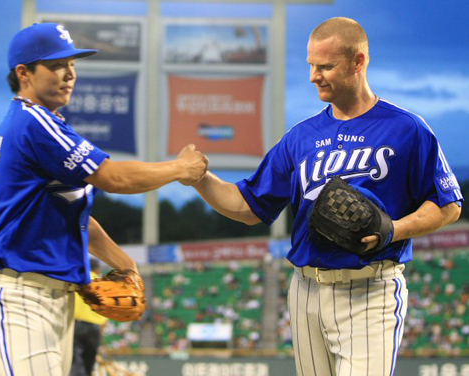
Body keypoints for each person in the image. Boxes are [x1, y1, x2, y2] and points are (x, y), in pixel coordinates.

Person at [190, 17, 463, 376]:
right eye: (311, 65)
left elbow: (447, 205)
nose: (313, 76)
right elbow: (248, 207)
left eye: (326, 66)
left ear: (358, 61)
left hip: (370, 289)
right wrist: (200, 179)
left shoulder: (407, 128)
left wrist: (394, 229)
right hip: (306, 291)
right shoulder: (301, 137)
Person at [0, 22, 207, 376]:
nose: (69, 73)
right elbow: (114, 177)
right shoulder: (32, 122)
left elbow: (77, 218)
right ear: (24, 73)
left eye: (72, 64)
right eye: (56, 65)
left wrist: (126, 264)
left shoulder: (45, 123)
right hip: (22, 292)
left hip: (52, 296)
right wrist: (179, 168)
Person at [70, 259, 108, 376]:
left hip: (78, 325)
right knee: (88, 365)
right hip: (95, 329)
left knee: (76, 362)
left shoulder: (79, 279)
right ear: (97, 269)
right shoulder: (104, 285)